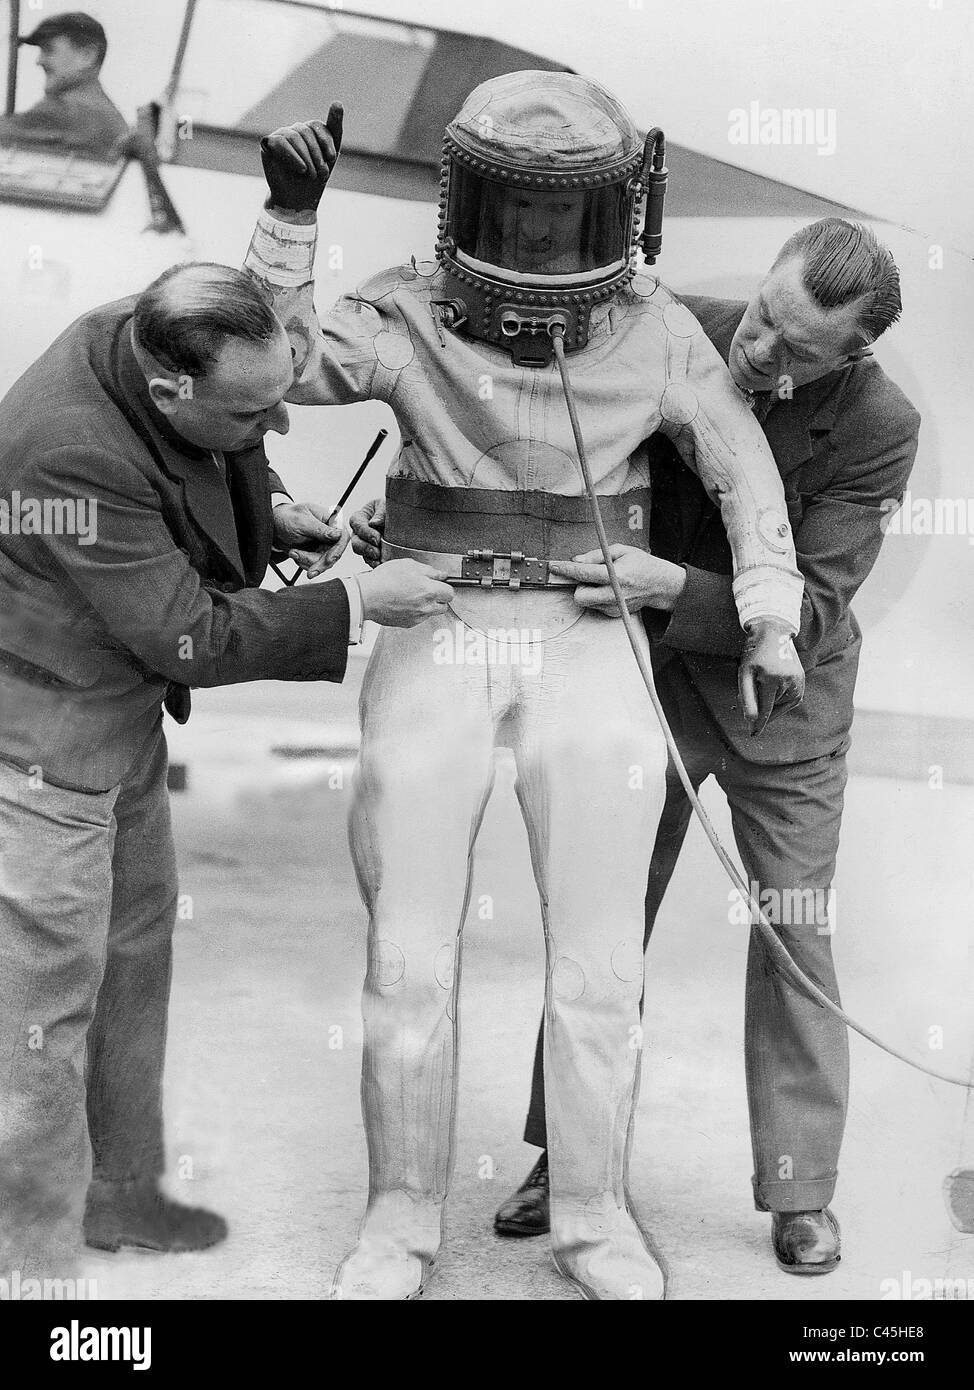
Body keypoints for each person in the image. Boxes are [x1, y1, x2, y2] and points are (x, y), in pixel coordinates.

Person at [247, 72, 807, 1301]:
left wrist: (767, 615)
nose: (540, 236)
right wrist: (289, 218)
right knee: (405, 959)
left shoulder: (656, 328)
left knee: (601, 963)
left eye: (567, 211)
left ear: (622, 208)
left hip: (586, 638)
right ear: (466, 196)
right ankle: (398, 1218)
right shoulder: (401, 308)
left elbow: (741, 471)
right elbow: (274, 367)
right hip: (436, 623)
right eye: (517, 205)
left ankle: (595, 1216)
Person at [0, 261, 450, 1276]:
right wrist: (353, 606)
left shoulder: (161, 334)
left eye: (281, 393)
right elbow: (188, 637)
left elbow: (207, 461)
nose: (275, 426)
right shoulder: (68, 449)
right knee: (38, 1020)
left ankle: (121, 1197)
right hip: (39, 748)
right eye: (255, 414)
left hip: (116, 733)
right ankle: (28, 1263)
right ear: (171, 389)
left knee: (132, 969)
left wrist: (273, 511)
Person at [494, 219, 921, 1278]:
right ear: (765, 276)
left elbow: (813, 605)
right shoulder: (678, 324)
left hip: (786, 709)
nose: (761, 352)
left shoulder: (876, 422)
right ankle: (568, 1160)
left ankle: (798, 1186)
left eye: (797, 349)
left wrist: (666, 589)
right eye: (766, 316)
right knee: (603, 917)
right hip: (646, 686)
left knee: (791, 937)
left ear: (851, 354)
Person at [0, 11, 129, 160]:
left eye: (48, 49)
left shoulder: (68, 112)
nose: (39, 61)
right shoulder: (104, 113)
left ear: (87, 56)